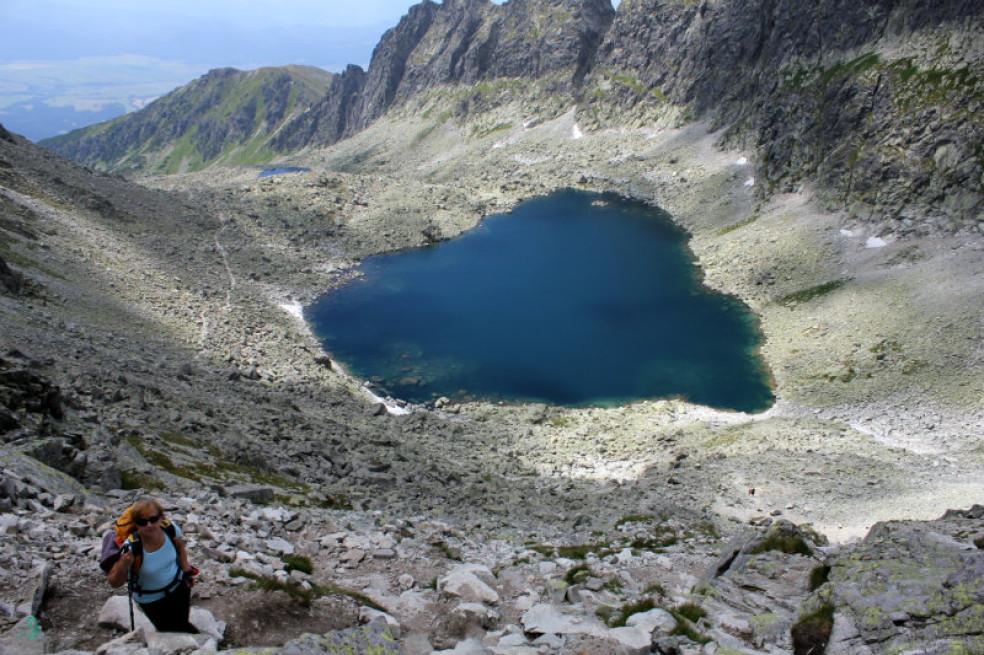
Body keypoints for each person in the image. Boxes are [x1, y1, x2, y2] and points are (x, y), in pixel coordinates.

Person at [106, 498, 198, 633]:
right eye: (142, 522)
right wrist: (123, 564)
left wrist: (186, 572)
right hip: (152, 601)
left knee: (182, 621)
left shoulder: (170, 529)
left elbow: (179, 548)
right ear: (136, 525)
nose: (149, 525)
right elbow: (114, 582)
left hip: (179, 587)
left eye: (153, 519)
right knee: (169, 630)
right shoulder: (131, 547)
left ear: (161, 518)